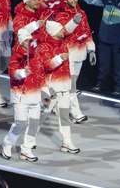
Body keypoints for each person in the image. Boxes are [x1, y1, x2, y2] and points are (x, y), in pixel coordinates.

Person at [74, 0, 120, 96]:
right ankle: (101, 84)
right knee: (103, 64)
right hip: (104, 39)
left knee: (119, 66)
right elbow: (90, 0)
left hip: (118, 42)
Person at [0, 27, 47, 161]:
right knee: (20, 123)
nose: (29, 43)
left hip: (35, 98)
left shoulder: (37, 57)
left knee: (33, 125)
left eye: (30, 40)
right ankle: (7, 143)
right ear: (20, 42)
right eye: (26, 41)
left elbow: (41, 77)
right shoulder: (16, 57)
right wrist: (23, 73)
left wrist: (46, 94)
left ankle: (26, 150)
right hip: (20, 96)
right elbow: (12, 74)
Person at [36, 20, 80, 154]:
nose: (63, 32)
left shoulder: (64, 44)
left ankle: (67, 143)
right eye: (61, 30)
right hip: (51, 88)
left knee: (65, 116)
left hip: (64, 88)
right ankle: (29, 139)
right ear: (54, 32)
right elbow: (48, 66)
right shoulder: (44, 47)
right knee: (42, 115)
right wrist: (59, 58)